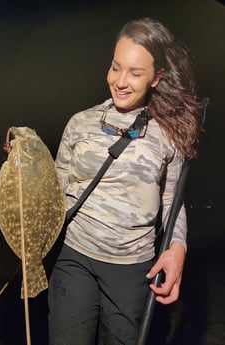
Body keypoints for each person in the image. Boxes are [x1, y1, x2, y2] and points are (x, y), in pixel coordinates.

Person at [48, 17, 204, 345]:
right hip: (75, 257)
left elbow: (172, 203)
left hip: (132, 269)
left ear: (156, 77)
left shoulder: (168, 135)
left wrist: (177, 249)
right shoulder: (79, 123)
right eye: (116, 67)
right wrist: (22, 168)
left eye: (135, 73)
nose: (120, 81)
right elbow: (53, 192)